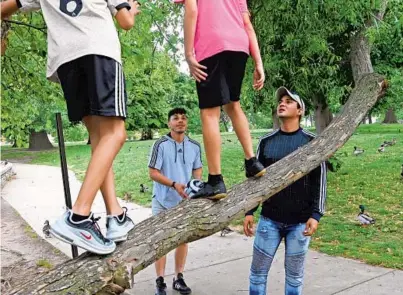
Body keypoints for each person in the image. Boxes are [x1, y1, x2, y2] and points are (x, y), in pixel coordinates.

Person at [1, 0, 141, 255]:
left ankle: (116, 215)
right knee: (115, 134)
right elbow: (126, 22)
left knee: (100, 140)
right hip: (99, 50)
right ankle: (78, 217)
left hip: (66, 63)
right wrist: (130, 8)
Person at [174, 0, 266, 200]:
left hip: (211, 44)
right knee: (233, 105)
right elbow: (248, 25)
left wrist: (189, 54)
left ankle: (215, 180)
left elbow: (191, 10)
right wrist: (258, 62)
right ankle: (252, 161)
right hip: (239, 46)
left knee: (209, 112)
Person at [244, 87, 327, 295]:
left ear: (300, 110)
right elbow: (255, 182)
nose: (282, 103)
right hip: (269, 220)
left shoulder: (312, 142)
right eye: (281, 100)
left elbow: (320, 180)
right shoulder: (266, 142)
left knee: (294, 278)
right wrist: (248, 211)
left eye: (289, 101)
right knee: (257, 275)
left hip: (300, 223)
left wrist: (316, 215)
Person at [148, 108, 202, 295]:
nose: (180, 121)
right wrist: (174, 184)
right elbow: (153, 173)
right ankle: (160, 281)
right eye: (175, 118)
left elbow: (197, 170)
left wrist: (195, 187)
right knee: (161, 242)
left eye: (183, 118)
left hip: (184, 202)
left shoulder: (194, 146)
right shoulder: (160, 144)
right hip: (162, 201)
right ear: (169, 123)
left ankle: (178, 278)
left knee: (182, 240)